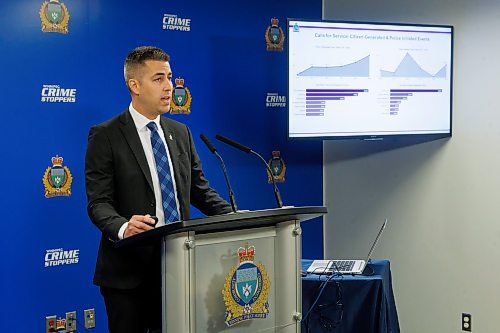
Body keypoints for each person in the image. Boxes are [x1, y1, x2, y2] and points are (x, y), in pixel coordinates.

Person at [85, 46, 232, 333]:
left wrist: (237, 216)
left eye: (170, 77)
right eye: (159, 79)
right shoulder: (106, 135)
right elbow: (98, 202)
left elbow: (199, 191)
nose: (169, 86)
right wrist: (124, 226)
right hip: (129, 274)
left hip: (181, 266)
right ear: (135, 85)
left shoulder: (180, 132)